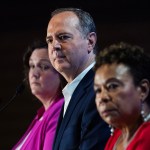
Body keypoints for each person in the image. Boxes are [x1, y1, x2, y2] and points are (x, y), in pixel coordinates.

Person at [46, 7, 110, 150]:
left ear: (90, 41)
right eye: (50, 40)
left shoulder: (99, 90)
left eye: (63, 37)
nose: (54, 46)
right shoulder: (73, 91)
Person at [94, 42, 150, 150]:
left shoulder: (147, 136)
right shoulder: (116, 137)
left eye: (113, 86)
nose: (102, 97)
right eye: (98, 90)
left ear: (143, 90)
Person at [12, 40, 65, 150]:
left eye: (44, 67)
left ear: (61, 73)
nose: (34, 74)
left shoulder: (58, 109)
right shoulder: (40, 115)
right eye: (32, 66)